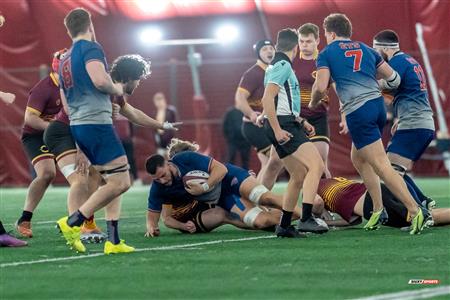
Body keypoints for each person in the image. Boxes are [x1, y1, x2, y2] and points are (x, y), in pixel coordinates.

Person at [310, 13, 428, 234]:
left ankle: (415, 210)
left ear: (331, 33)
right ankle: (377, 209)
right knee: (358, 158)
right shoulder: (367, 49)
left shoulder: (326, 53)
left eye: (325, 33)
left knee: (382, 166)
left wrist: (313, 101)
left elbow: (320, 86)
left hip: (359, 111)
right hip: (378, 108)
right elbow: (394, 79)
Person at [144, 139, 298, 237]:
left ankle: (308, 212)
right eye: (157, 179)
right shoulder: (161, 188)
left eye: (163, 175)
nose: (162, 181)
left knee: (265, 198)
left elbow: (220, 170)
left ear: (169, 163)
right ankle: (301, 213)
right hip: (203, 213)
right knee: (257, 221)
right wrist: (153, 227)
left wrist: (204, 186)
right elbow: (164, 218)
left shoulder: (189, 162)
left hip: (222, 190)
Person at [259, 28, 328, 238]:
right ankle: (307, 218)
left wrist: (301, 120)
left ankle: (285, 225)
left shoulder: (276, 65)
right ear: (296, 47)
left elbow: (281, 101)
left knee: (298, 174)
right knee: (316, 165)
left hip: (286, 122)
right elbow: (267, 99)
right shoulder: (282, 65)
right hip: (283, 125)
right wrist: (279, 130)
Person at [373, 29, 436, 209]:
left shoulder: (397, 62)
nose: (375, 54)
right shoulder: (409, 59)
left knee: (390, 171)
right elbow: (412, 91)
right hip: (420, 122)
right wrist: (399, 118)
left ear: (385, 48)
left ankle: (418, 211)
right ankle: (423, 201)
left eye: (375, 49)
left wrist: (364, 83)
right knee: (392, 168)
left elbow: (390, 84)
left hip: (414, 124)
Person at [15, 49, 66, 238]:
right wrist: (54, 129)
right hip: (36, 135)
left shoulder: (73, 85)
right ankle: (25, 218)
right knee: (47, 174)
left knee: (85, 171)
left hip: (61, 132)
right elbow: (29, 119)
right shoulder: (43, 88)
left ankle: (81, 220)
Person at [235, 39, 284, 189]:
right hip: (255, 127)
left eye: (271, 48)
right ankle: (259, 197)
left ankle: (255, 198)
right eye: (264, 49)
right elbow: (239, 99)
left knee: (267, 164)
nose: (269, 51)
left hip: (266, 124)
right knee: (279, 159)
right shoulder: (254, 73)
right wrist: (252, 115)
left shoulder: (275, 71)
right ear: (258, 54)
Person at [312, 177, 449, 229]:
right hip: (379, 189)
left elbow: (317, 202)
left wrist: (315, 219)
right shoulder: (332, 181)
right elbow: (354, 220)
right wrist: (329, 222)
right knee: (424, 215)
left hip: (371, 203)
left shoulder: (313, 188)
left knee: (424, 218)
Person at [293, 23, 331, 178]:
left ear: (317, 41)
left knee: (321, 164)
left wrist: (344, 114)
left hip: (318, 118)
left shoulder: (325, 61)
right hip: (295, 119)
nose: (304, 45)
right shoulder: (291, 61)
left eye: (308, 41)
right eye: (301, 41)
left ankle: (329, 201)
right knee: (297, 168)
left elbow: (337, 88)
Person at [153, 92, 177, 158]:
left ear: (164, 100)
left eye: (160, 100)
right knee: (161, 161)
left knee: (171, 160)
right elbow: (154, 129)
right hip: (160, 140)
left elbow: (175, 126)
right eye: (157, 101)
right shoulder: (155, 113)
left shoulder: (170, 111)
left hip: (170, 139)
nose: (159, 102)